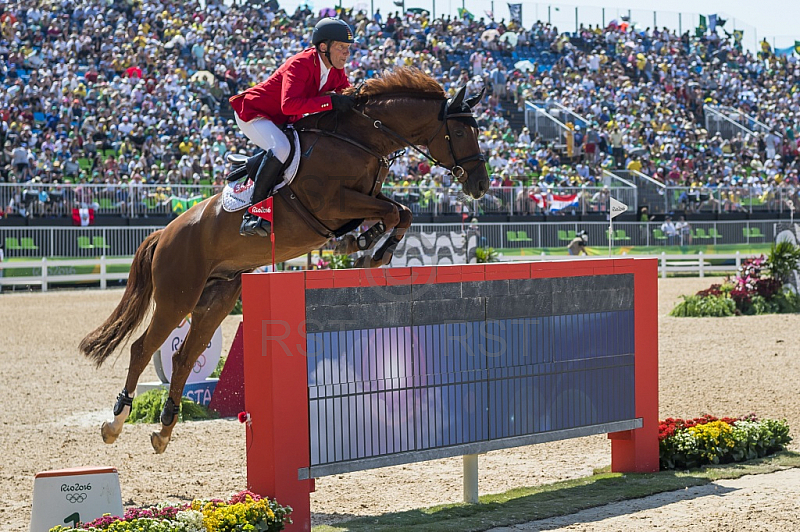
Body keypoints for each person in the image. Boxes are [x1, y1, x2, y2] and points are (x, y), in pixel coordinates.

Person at [229, 18, 356, 236]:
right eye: (341, 47)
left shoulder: (335, 69)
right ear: (323, 47)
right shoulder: (301, 63)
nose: (346, 53)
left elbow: (347, 94)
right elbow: (288, 105)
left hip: (283, 120)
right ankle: (253, 213)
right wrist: (330, 102)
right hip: (254, 113)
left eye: (348, 48)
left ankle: (256, 166)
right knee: (281, 148)